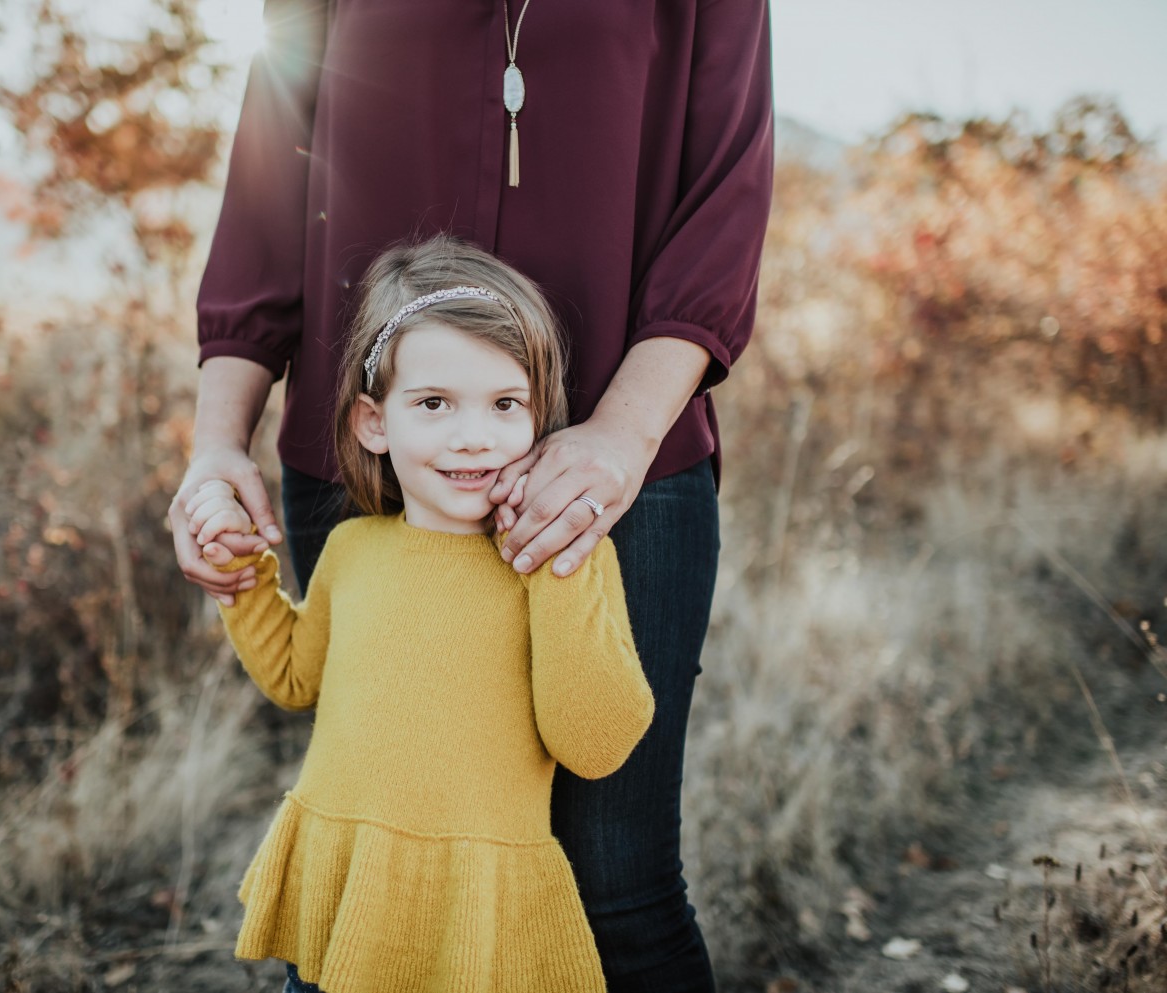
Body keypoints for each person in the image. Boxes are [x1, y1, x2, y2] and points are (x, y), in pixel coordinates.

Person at [171, 4, 774, 988]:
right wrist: (214, 447)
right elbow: (266, 186)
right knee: (379, 872)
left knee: (617, 889)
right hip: (366, 470)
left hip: (624, 467)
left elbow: (725, 203)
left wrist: (620, 439)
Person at [187, 235, 656, 992]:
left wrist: (554, 572)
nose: (473, 434)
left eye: (506, 404)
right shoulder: (352, 549)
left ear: (541, 415)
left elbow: (595, 743)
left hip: (478, 912)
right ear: (375, 423)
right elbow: (294, 676)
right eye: (434, 403)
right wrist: (239, 575)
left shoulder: (562, 559)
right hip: (350, 891)